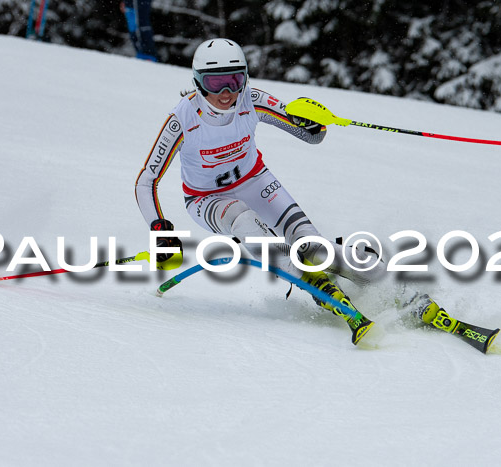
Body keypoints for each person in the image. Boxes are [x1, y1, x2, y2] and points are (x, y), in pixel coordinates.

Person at [134, 38, 440, 345]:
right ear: (198, 83)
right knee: (243, 218)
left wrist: (313, 125)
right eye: (215, 83)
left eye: (235, 80)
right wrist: (160, 229)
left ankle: (401, 290)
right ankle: (311, 279)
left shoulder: (251, 99)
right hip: (207, 199)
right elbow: (147, 180)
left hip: (256, 182)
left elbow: (309, 135)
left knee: (314, 248)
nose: (226, 93)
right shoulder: (181, 120)